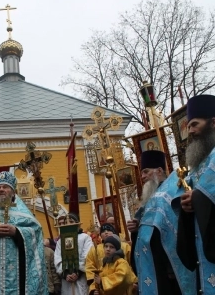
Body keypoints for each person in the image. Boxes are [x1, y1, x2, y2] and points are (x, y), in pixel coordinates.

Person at [127, 150, 196, 294]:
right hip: (156, 269)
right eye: (142, 173)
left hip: (172, 270)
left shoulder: (174, 190)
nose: (143, 176)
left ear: (159, 170)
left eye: (146, 172)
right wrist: (136, 230)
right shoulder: (149, 200)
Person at [0, 171, 47, 294]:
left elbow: (36, 233)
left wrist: (17, 232)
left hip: (19, 277)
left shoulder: (24, 215)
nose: (1, 190)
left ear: (13, 192)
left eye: (5, 187)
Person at [177, 94, 215, 294]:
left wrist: (199, 198)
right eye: (188, 126)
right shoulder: (198, 166)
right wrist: (187, 206)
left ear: (213, 123)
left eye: (194, 124)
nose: (190, 131)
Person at [86, 223, 134, 294]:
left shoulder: (122, 262)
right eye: (106, 246)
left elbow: (121, 275)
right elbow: (97, 277)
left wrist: (102, 282)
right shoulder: (104, 265)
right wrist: (94, 289)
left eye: (111, 247)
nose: (108, 249)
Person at [54, 213, 93, 294]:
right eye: (65, 223)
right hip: (67, 281)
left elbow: (87, 255)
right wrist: (66, 274)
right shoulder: (60, 241)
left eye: (71, 221)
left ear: (78, 224)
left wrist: (77, 272)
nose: (68, 224)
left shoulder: (85, 237)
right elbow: (57, 258)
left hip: (81, 277)